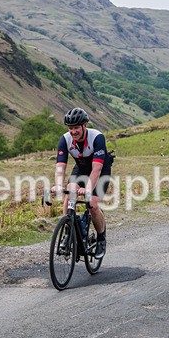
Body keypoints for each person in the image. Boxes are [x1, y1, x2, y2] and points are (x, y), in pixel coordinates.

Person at [52, 107, 113, 258]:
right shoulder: (65, 139)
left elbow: (97, 168)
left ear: (84, 126)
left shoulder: (97, 138)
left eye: (76, 128)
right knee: (69, 193)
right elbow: (60, 166)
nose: (73, 131)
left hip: (100, 170)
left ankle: (101, 239)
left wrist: (88, 189)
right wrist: (59, 184)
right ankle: (68, 231)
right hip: (80, 169)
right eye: (70, 128)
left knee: (92, 203)